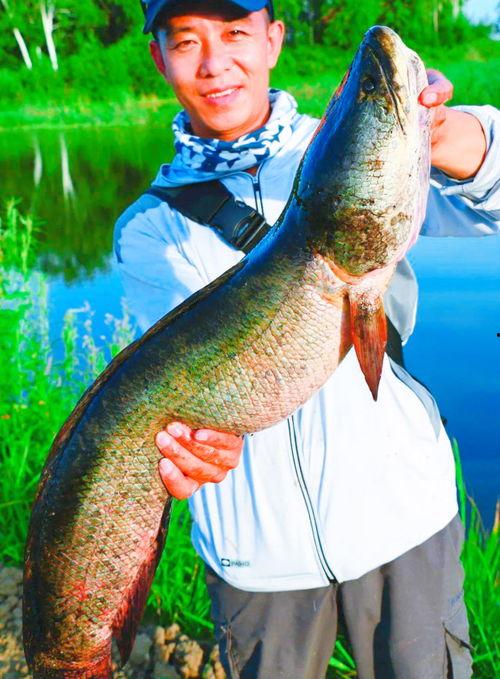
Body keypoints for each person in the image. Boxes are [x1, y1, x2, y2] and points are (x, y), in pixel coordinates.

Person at [114, 1, 500, 677]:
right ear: (158, 58)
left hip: (404, 518)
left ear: (273, 38)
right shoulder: (149, 230)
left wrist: (448, 136)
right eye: (187, 41)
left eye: (235, 33)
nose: (215, 63)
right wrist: (192, 442)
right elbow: (180, 397)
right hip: (258, 559)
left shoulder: (353, 146)